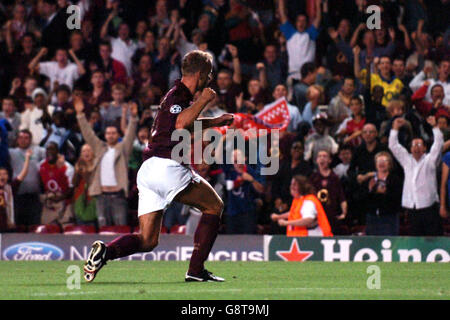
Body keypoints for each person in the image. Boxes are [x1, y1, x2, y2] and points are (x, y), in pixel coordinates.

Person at [82, 50, 234, 283]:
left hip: (148, 171)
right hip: (167, 167)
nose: (210, 79)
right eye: (209, 74)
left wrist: (214, 122)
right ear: (200, 73)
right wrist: (204, 100)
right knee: (214, 206)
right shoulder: (180, 97)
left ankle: (106, 252)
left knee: (147, 240)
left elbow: (178, 126)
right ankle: (196, 271)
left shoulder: (174, 96)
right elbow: (182, 122)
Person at [75, 99, 138, 229]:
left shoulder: (123, 148)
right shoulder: (99, 148)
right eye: (108, 133)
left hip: (118, 196)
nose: (110, 135)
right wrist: (80, 115)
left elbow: (131, 135)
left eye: (113, 133)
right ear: (105, 135)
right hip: (101, 197)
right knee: (103, 230)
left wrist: (133, 118)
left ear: (118, 135)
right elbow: (88, 134)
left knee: (120, 230)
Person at [389, 116, 444, 236]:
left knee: (433, 238)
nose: (416, 147)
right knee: (416, 239)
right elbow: (393, 146)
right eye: (414, 145)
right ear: (410, 148)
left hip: (429, 207)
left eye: (419, 145)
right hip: (412, 207)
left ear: (425, 148)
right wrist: (394, 129)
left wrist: (435, 127)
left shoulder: (430, 160)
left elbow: (438, 144)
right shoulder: (406, 160)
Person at [309, 150, 348, 235]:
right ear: (316, 160)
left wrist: (344, 213)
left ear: (330, 160)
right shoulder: (313, 178)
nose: (322, 158)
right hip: (316, 217)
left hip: (331, 217)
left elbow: (342, 197)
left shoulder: (334, 178)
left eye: (325, 156)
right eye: (319, 156)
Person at [364, 151, 402, 235]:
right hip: (372, 219)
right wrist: (370, 191)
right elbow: (363, 200)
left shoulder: (395, 180)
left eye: (384, 161)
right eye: (379, 161)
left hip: (389, 219)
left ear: (389, 164)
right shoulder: (370, 179)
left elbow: (397, 200)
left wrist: (385, 193)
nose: (381, 163)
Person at [39, 142, 74, 225]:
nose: (49, 152)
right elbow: (41, 183)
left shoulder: (67, 167)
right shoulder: (41, 165)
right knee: (47, 229)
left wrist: (60, 198)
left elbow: (72, 188)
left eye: (52, 149)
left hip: (65, 202)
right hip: (50, 202)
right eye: (47, 149)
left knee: (66, 228)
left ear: (58, 151)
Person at [0, 149, 32, 232]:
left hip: (8, 227)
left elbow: (23, 174)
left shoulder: (10, 188)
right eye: (0, 174)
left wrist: (27, 158)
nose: (2, 176)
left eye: (5, 174)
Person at [72, 144, 97, 226]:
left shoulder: (98, 166)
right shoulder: (78, 166)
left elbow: (90, 182)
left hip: (93, 202)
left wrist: (84, 172)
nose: (86, 153)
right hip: (79, 201)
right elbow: (74, 183)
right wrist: (77, 171)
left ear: (93, 153)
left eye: (88, 150)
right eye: (84, 151)